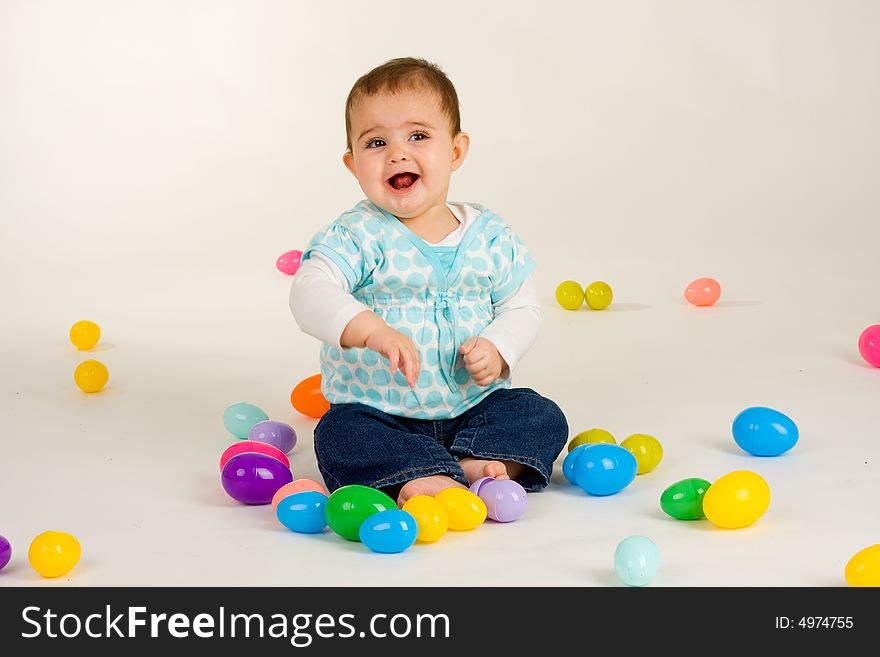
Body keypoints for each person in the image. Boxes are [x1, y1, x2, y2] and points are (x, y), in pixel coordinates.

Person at [290, 57, 568, 506]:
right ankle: (426, 471)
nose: (397, 153)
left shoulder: (490, 235)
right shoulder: (357, 235)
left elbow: (522, 307)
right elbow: (309, 290)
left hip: (473, 408)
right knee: (339, 435)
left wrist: (499, 347)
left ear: (456, 151)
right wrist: (370, 329)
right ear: (352, 163)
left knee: (540, 415)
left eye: (418, 136)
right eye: (376, 142)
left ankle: (467, 459)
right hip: (378, 413)